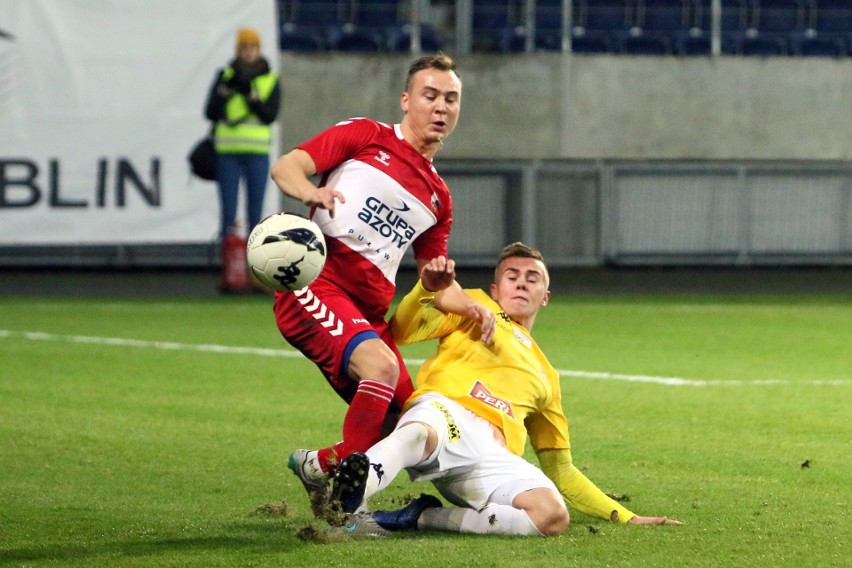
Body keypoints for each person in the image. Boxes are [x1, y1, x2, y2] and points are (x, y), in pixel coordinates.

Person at [330, 243, 682, 536]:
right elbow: (403, 330)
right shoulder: (476, 307)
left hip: (492, 459)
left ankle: (420, 517)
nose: (522, 284)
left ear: (545, 296)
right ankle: (349, 503)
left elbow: (561, 470)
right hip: (446, 413)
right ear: (496, 290)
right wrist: (426, 289)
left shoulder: (547, 376)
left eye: (533, 279)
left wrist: (625, 515)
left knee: (551, 516)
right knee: (419, 433)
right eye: (512, 277)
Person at [272, 54, 463, 516]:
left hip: (367, 315)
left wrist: (466, 301)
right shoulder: (367, 136)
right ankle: (343, 511)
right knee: (381, 369)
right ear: (406, 100)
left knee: (407, 422)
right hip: (316, 286)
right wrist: (310, 192)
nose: (441, 106)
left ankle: (317, 466)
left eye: (451, 99)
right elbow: (286, 166)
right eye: (430, 95)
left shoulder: (439, 197)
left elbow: (437, 281)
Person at [204, 27, 281, 291]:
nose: (248, 52)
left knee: (255, 214)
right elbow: (210, 112)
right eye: (244, 48)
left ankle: (255, 275)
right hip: (227, 152)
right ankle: (230, 273)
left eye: (253, 47)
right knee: (228, 213)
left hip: (257, 152)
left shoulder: (269, 79)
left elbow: (270, 115)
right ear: (238, 51)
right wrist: (224, 91)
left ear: (259, 50)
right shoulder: (225, 76)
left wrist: (252, 97)